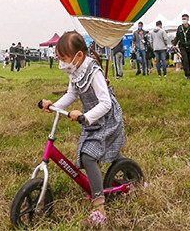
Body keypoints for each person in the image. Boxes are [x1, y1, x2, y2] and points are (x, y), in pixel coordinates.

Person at [40, 31, 126, 226]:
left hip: (105, 119)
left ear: (78, 56)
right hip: (90, 119)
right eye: (59, 58)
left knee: (89, 156)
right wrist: (55, 106)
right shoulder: (76, 70)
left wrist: (86, 116)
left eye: (63, 58)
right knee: (105, 151)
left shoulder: (93, 72)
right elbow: (72, 94)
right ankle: (130, 174)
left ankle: (100, 209)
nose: (61, 63)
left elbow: (106, 104)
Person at [172, 15, 190, 80]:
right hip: (182, 46)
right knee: (184, 60)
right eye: (182, 19)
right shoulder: (180, 28)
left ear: (188, 19)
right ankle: (187, 75)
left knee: (188, 60)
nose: (183, 20)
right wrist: (174, 44)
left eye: (185, 18)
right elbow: (177, 37)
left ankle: (189, 73)